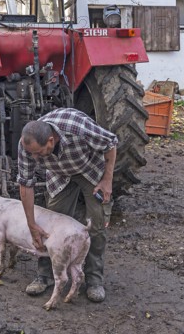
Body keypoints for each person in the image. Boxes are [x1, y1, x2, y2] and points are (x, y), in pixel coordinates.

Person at [16, 108, 117, 303]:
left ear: (51, 141)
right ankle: (45, 276)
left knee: (96, 226)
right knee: (48, 227)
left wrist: (108, 180)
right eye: (32, 154)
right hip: (59, 174)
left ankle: (94, 280)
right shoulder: (26, 145)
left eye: (39, 153)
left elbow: (111, 143)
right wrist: (31, 223)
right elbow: (26, 185)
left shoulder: (78, 129)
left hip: (90, 170)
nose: (35, 158)